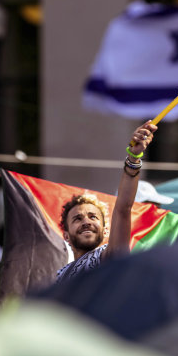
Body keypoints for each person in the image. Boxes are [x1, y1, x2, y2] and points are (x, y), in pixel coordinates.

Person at [55, 120, 156, 284]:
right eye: (77, 219)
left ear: (106, 230)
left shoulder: (109, 257)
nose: (86, 221)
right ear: (66, 234)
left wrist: (133, 158)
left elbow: (123, 209)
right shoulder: (62, 275)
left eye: (93, 217)